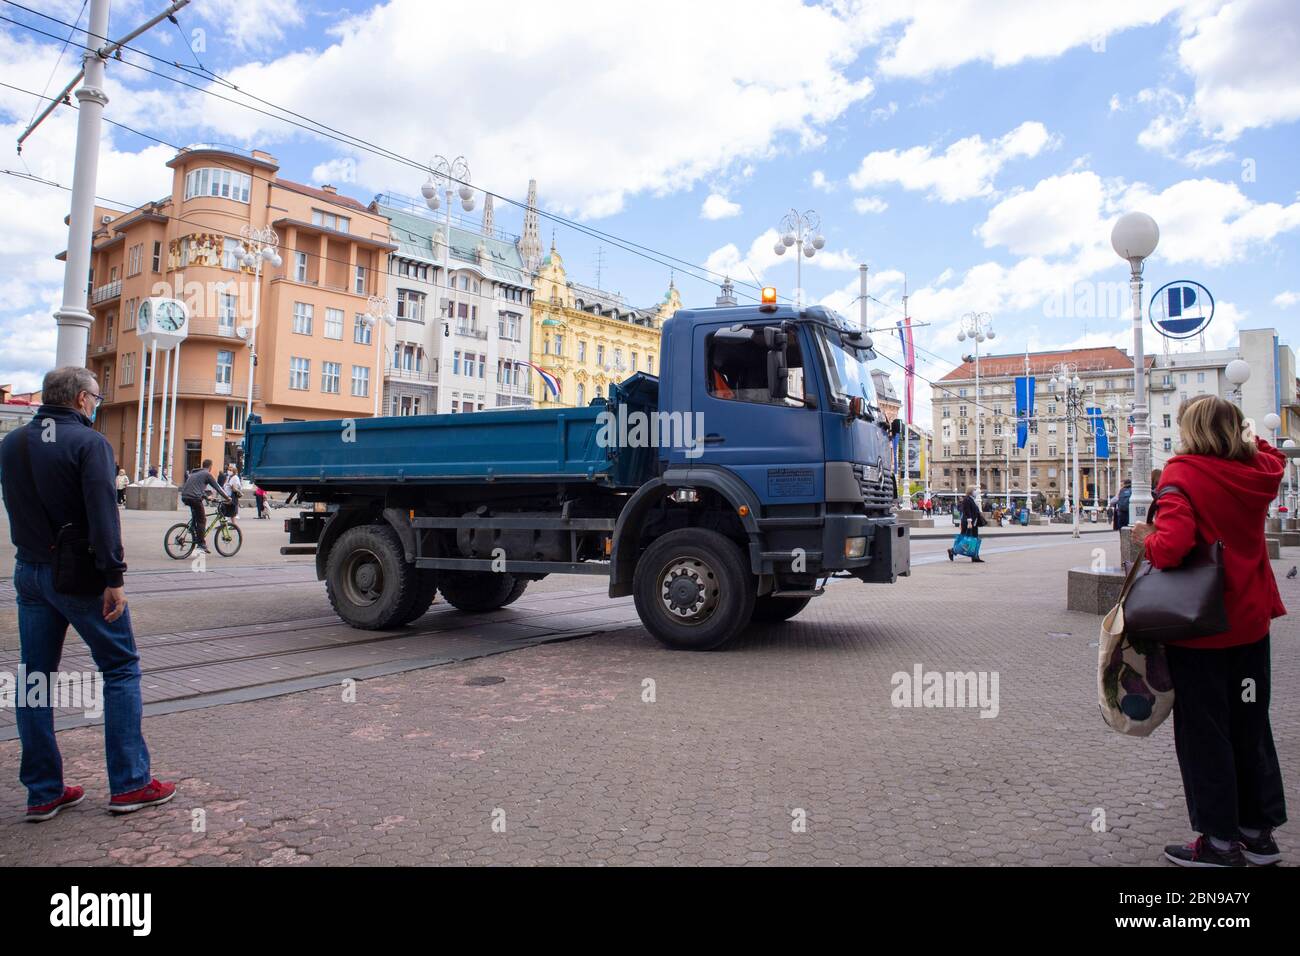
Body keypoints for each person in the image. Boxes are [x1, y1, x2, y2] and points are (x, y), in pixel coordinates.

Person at [0, 367, 175, 820]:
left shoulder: (12, 443)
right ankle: (130, 784)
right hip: (78, 577)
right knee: (120, 668)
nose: (97, 405)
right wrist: (113, 578)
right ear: (81, 399)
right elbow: (103, 515)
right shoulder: (89, 444)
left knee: (34, 678)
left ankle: (42, 791)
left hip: (28, 571)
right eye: (96, 398)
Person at [1130, 395, 1287, 867]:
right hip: (1251, 623)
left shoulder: (1183, 473)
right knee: (1250, 724)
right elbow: (1271, 451)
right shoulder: (1261, 470)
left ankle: (1218, 843)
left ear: (1190, 431)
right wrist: (1243, 432)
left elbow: (1173, 548)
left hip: (1202, 628)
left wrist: (1147, 539)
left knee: (1206, 733)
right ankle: (1258, 833)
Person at [180, 459, 230, 554]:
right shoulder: (207, 474)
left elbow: (196, 488)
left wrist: (206, 497)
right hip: (194, 498)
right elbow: (218, 488)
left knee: (196, 517)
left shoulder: (194, 473)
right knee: (202, 520)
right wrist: (228, 498)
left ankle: (194, 532)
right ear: (210, 467)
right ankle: (201, 544)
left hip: (185, 497)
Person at [948, 487, 986, 563]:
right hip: (969, 523)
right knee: (965, 539)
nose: (976, 491)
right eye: (974, 490)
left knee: (974, 539)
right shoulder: (967, 499)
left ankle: (975, 556)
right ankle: (953, 550)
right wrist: (969, 522)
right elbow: (967, 511)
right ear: (970, 491)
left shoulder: (972, 499)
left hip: (973, 523)